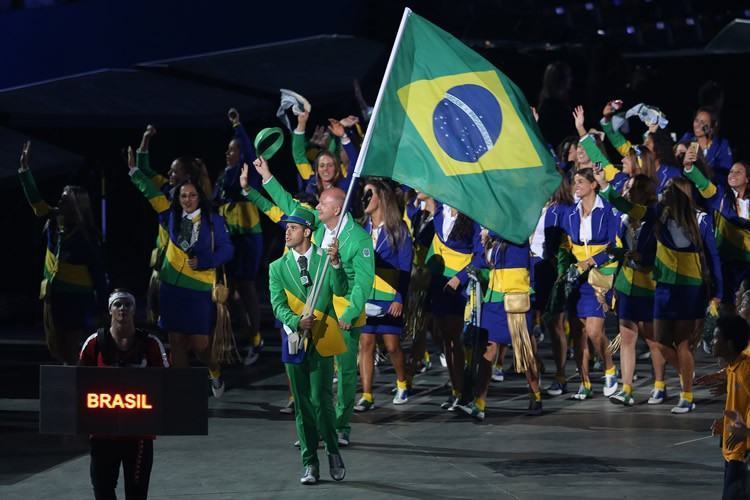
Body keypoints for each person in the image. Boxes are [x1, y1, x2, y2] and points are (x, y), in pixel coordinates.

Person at [249, 157, 374, 446]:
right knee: (317, 375)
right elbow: (289, 204)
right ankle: (318, 426)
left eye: (322, 204)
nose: (316, 207)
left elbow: (362, 284)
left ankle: (341, 427)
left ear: (337, 209)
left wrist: (351, 312)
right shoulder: (317, 224)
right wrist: (266, 175)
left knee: (343, 375)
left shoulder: (359, 240)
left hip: (344, 313)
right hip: (318, 310)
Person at [128, 147, 234, 397]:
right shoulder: (170, 216)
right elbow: (150, 193)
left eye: (192, 195)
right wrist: (134, 171)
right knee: (176, 343)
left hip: (198, 290)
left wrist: (207, 260)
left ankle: (215, 371)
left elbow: (228, 250)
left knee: (200, 345)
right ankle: (182, 393)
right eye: (183, 196)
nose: (187, 199)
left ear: (199, 196)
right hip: (171, 289)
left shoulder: (213, 221)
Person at [267, 206, 349, 485]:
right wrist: (295, 320)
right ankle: (310, 462)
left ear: (307, 231)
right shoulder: (276, 267)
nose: (287, 232)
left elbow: (340, 290)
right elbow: (277, 305)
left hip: (323, 339)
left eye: (293, 227)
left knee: (322, 402)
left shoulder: (325, 261)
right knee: (302, 405)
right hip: (293, 340)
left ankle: (333, 451)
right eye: (286, 227)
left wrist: (336, 264)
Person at [18, 141, 107, 364]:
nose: (59, 201)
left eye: (65, 199)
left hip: (76, 299)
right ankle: (67, 375)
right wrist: (25, 171)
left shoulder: (86, 237)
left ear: (76, 206)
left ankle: (74, 383)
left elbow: (97, 274)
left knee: (71, 345)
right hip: (53, 296)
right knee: (55, 345)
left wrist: (103, 305)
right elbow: (37, 202)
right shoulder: (54, 224)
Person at [595, 172, 680, 405]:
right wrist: (619, 253)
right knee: (627, 338)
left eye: (633, 189)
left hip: (648, 285)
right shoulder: (624, 220)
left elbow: (664, 252)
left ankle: (664, 383)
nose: (629, 192)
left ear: (645, 192)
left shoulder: (655, 216)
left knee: (655, 340)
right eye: (628, 188)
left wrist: (603, 184)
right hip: (627, 285)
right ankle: (627, 389)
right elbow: (627, 251)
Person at [79, 289, 169, 500]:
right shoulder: (94, 343)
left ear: (134, 310)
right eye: (118, 304)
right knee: (102, 491)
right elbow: (77, 382)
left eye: (127, 305)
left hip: (139, 434)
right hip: (102, 433)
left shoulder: (150, 344)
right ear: (110, 310)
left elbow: (168, 382)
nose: (122, 309)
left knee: (137, 494)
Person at [652, 177, 722, 413]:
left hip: (690, 287)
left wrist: (717, 293)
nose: (665, 192)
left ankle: (687, 394)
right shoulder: (659, 217)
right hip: (663, 287)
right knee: (659, 340)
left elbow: (713, 257)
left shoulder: (701, 219)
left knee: (684, 344)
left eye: (670, 189)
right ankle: (687, 376)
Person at [134, 125, 212, 324]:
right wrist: (146, 138)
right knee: (159, 315)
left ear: (186, 176)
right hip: (163, 261)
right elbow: (146, 169)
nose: (169, 173)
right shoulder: (169, 188)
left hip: (179, 266)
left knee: (178, 319)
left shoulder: (189, 201)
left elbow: (154, 196)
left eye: (174, 171)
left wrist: (134, 174)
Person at [460, 231, 542, 420]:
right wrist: (464, 276)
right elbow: (483, 264)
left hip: (516, 298)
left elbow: (515, 235)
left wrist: (490, 233)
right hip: (494, 299)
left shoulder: (516, 236)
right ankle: (479, 402)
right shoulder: (491, 241)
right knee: (488, 350)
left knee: (524, 351)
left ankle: (535, 394)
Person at [354, 179, 412, 411]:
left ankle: (402, 382)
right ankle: (367, 395)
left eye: (370, 194)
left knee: (391, 346)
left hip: (389, 297)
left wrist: (399, 298)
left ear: (381, 199)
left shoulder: (398, 229)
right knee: (366, 343)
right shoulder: (360, 228)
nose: (365, 200)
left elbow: (405, 268)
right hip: (366, 296)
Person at [214, 108, 265, 366]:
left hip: (247, 237)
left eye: (232, 150)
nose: (228, 153)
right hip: (229, 238)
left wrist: (238, 126)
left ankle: (256, 339)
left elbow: (247, 150)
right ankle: (243, 335)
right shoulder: (223, 176)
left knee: (245, 287)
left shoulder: (248, 172)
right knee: (229, 292)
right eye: (228, 149)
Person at [563, 166, 620, 401]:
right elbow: (567, 245)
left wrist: (591, 261)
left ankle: (609, 368)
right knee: (579, 333)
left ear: (593, 184)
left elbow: (615, 246)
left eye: (580, 181)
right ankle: (585, 382)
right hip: (578, 279)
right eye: (574, 181)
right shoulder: (570, 213)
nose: (576, 185)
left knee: (596, 331)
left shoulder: (607, 210)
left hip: (601, 276)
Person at [423, 199, 483, 410]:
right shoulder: (439, 213)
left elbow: (480, 257)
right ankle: (456, 389)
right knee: (444, 338)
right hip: (438, 283)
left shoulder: (473, 218)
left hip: (460, 287)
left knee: (458, 339)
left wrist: (460, 278)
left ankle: (465, 388)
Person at [683, 156, 750, 311]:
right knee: (728, 304)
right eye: (731, 171)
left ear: (747, 178)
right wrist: (690, 168)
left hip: (748, 262)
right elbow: (703, 184)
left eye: (738, 172)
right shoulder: (720, 196)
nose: (732, 174)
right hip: (728, 262)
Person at [708, 315, 750, 500]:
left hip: (742, 454)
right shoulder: (733, 368)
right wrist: (725, 422)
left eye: (717, 338)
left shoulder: (745, 370)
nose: (712, 341)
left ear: (730, 345)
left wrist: (747, 432)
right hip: (733, 452)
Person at [679, 106, 733, 184]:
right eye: (696, 120)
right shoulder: (687, 138)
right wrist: (677, 153)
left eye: (703, 122)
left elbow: (725, 173)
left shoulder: (722, 145)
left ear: (712, 126)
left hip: (712, 189)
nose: (698, 125)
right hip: (688, 189)